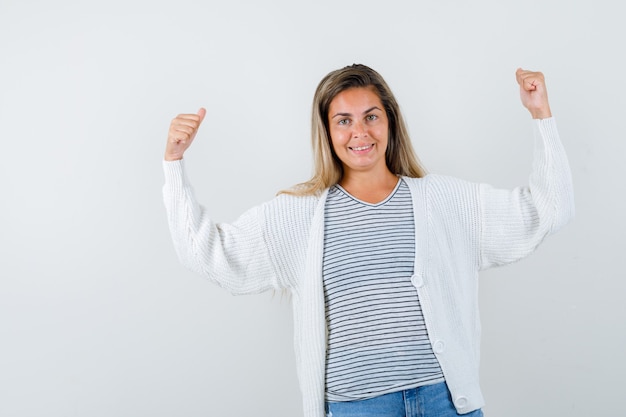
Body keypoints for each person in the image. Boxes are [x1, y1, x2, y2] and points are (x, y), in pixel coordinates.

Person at [162, 64, 574, 417]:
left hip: (445, 401)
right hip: (355, 407)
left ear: (390, 121)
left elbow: (548, 209)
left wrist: (542, 115)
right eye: (343, 120)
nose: (359, 132)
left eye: (371, 116)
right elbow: (207, 253)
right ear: (327, 131)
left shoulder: (445, 200)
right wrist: (174, 164)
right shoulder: (297, 217)